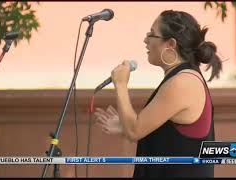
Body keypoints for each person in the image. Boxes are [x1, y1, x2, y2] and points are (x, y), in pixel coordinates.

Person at [94, 9, 222, 178]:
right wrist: (124, 126)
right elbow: (168, 136)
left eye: (152, 34)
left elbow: (134, 131)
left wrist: (121, 84)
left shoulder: (182, 83)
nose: (145, 40)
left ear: (170, 44)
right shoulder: (182, 78)